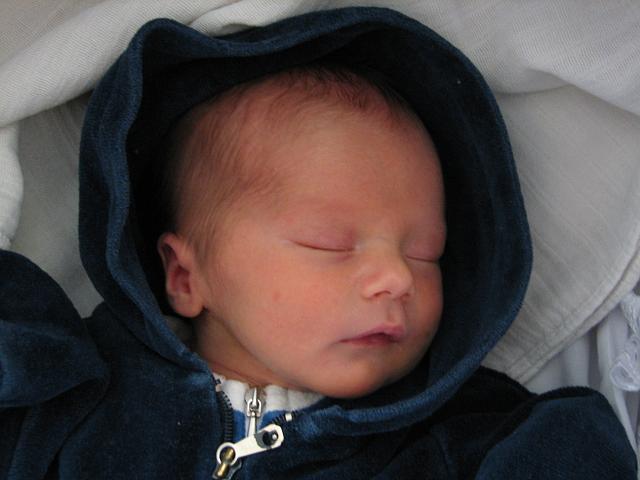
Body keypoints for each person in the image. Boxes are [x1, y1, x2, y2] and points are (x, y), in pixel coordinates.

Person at [0, 7, 635, 479]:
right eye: (330, 244)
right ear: (186, 277)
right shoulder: (80, 394)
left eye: (426, 252)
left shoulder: (456, 443)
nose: (398, 278)